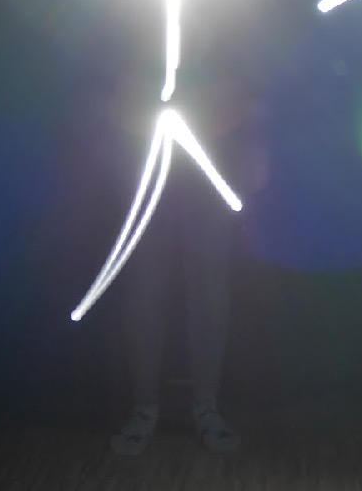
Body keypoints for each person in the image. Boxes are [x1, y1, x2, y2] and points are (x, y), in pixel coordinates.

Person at [108, 59, 268, 456]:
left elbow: (246, 73)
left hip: (214, 150)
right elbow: (116, 75)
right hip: (145, 148)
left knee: (208, 283)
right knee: (146, 285)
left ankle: (205, 405)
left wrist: (249, 139)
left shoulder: (226, 39)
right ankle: (145, 406)